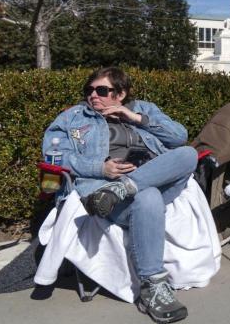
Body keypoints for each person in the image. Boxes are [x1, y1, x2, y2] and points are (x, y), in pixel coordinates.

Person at [42, 67, 196, 323]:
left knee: (188, 154)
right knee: (148, 198)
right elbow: (53, 155)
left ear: (121, 93)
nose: (93, 96)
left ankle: (126, 186)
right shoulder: (73, 118)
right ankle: (153, 287)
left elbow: (179, 137)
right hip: (102, 191)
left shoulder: (144, 109)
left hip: (147, 179)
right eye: (89, 90)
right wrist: (100, 167)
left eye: (102, 90)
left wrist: (134, 117)